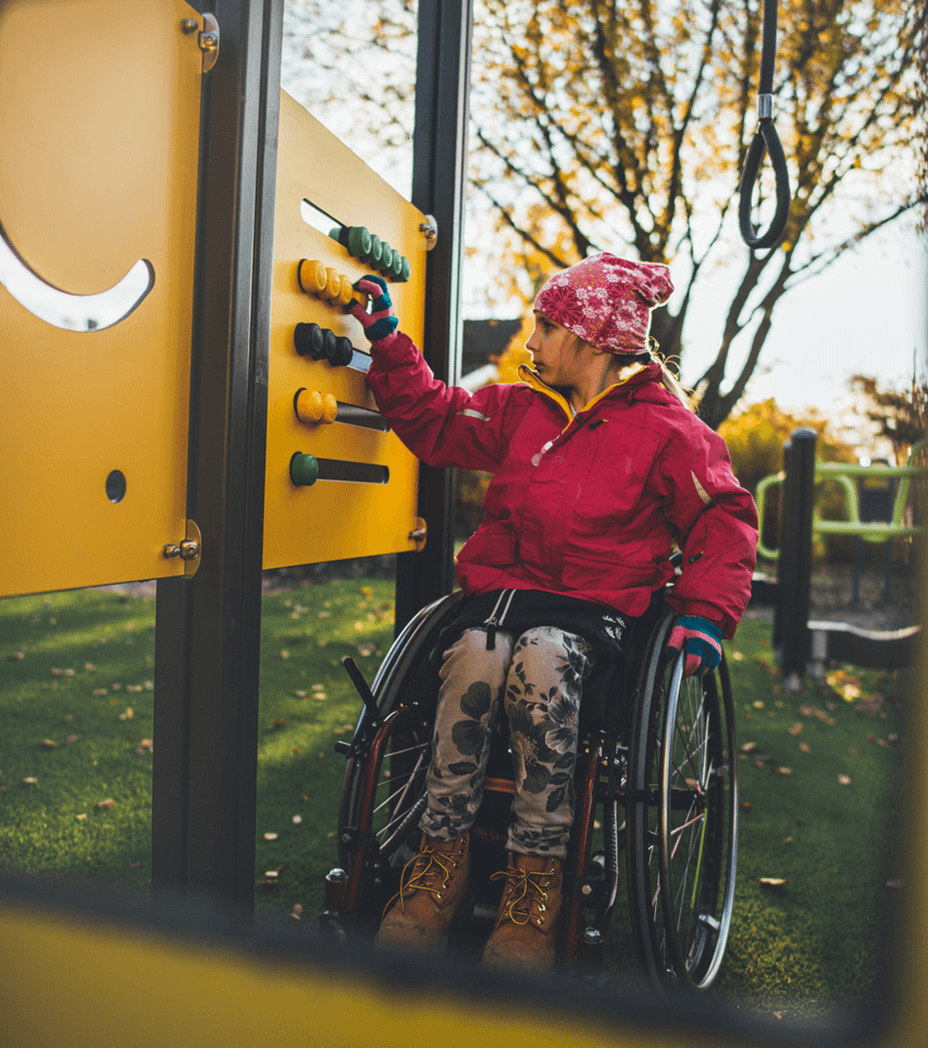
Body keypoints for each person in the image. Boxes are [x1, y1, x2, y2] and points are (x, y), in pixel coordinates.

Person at [348, 252, 758, 974]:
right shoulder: (516, 411)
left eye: (545, 325)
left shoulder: (669, 431)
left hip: (589, 624)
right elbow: (436, 419)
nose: (531, 340)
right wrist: (387, 342)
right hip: (500, 604)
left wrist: (703, 613)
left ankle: (535, 878)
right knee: (474, 649)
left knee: (542, 654)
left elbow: (722, 515)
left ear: (594, 339)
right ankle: (442, 859)